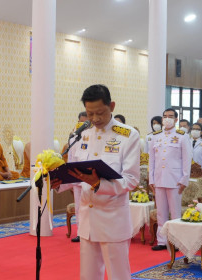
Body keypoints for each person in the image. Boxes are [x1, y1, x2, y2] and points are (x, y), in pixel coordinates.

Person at [52, 85, 140, 280]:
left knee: (119, 275)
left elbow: (131, 180)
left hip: (113, 218)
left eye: (100, 113)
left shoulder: (127, 135)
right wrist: (58, 182)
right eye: (90, 114)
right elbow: (75, 171)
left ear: (112, 106)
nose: (95, 119)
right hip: (87, 218)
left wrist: (98, 184)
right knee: (88, 276)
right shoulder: (82, 134)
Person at [149, 108, 192, 251]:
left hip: (175, 180)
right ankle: (161, 241)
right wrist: (151, 179)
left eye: (170, 116)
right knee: (161, 212)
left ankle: (176, 241)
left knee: (175, 212)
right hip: (159, 179)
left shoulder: (182, 136)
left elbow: (186, 159)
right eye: (165, 116)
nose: (167, 119)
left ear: (176, 119)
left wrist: (184, 179)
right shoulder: (155, 136)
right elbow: (152, 161)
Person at [68, 111, 90, 243]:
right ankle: (79, 233)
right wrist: (70, 180)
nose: (83, 125)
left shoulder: (94, 138)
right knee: (78, 208)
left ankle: (88, 233)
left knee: (88, 208)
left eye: (85, 123)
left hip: (89, 179)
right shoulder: (73, 139)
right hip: (76, 178)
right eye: (81, 122)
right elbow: (70, 159)